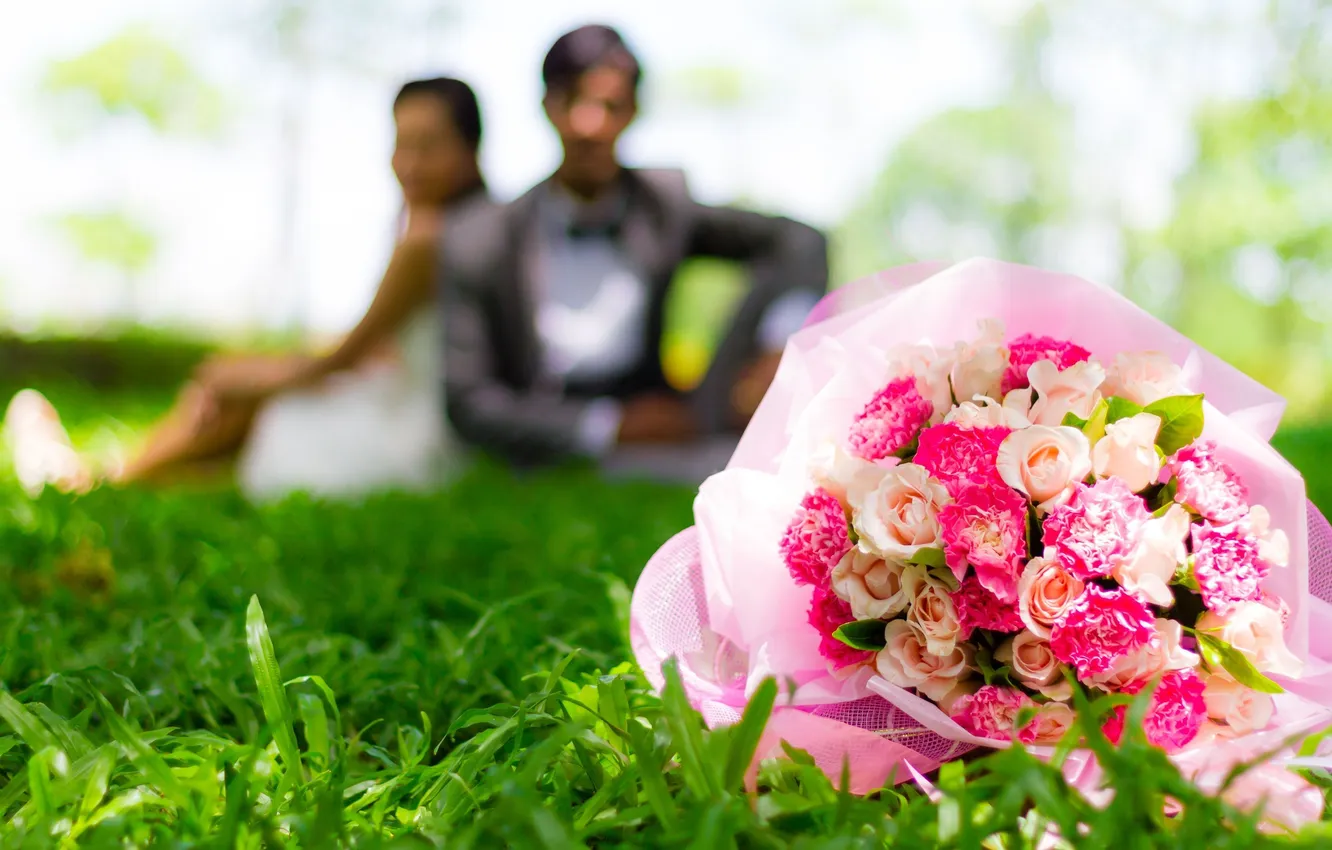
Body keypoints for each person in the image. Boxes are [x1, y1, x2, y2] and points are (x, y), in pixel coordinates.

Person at [4, 77, 488, 499]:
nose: (410, 164)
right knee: (245, 409)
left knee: (244, 397)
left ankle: (95, 480)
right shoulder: (478, 228)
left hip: (414, 434)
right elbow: (381, 347)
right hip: (431, 425)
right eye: (402, 145)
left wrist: (251, 375)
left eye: (429, 146)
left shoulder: (426, 240)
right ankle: (109, 476)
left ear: (469, 150)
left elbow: (347, 354)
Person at [440, 24, 827, 481]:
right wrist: (605, 426)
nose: (590, 125)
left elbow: (802, 239)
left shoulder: (664, 206)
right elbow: (469, 404)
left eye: (609, 105)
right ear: (547, 107)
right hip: (546, 430)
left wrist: (774, 346)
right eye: (572, 102)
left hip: (669, 417)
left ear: (633, 112)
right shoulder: (480, 237)